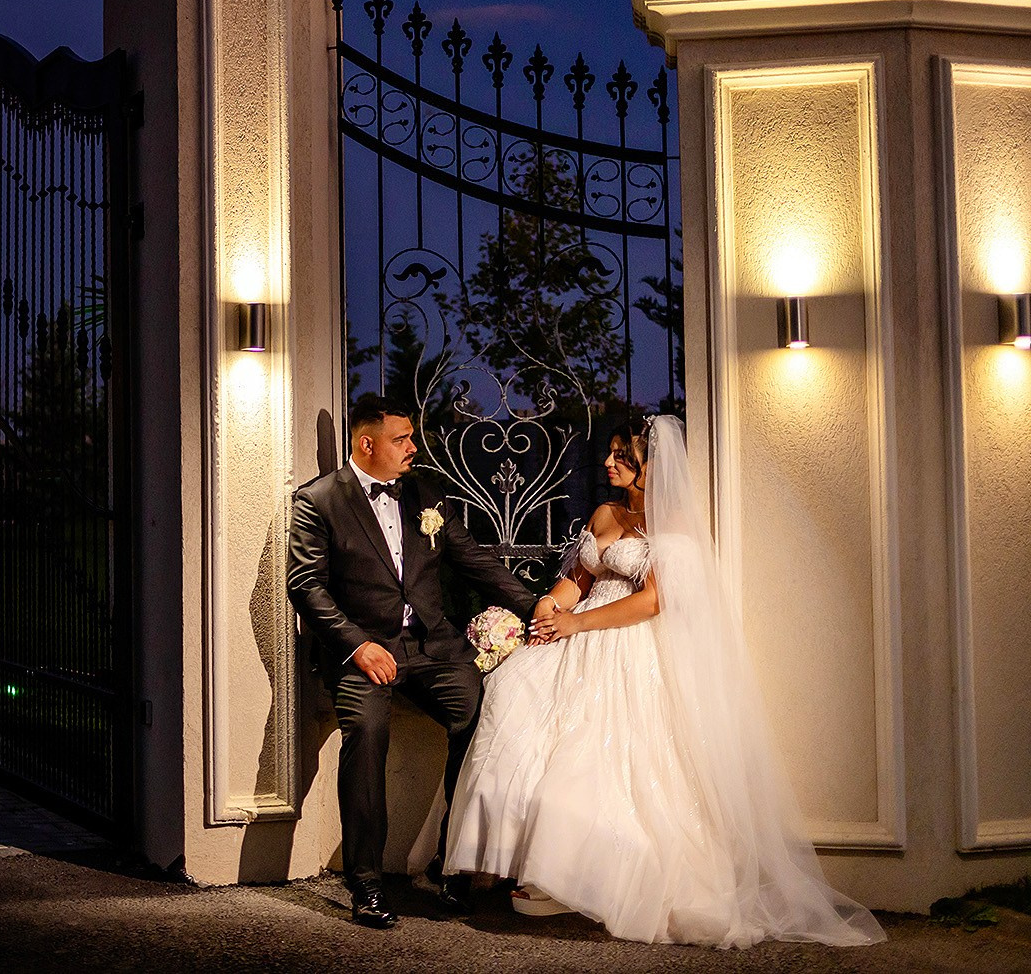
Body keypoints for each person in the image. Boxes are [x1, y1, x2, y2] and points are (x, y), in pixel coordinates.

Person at [438, 415, 884, 947]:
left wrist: (578, 621)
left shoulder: (672, 528)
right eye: (609, 454)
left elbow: (654, 600)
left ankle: (588, 875)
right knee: (517, 706)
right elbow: (576, 579)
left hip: (629, 644)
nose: (608, 463)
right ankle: (530, 864)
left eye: (621, 455)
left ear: (651, 464)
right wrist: (548, 611)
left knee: (604, 759)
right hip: (576, 640)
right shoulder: (606, 512)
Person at [287, 394, 557, 929]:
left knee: (481, 717)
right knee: (365, 733)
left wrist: (536, 604)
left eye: (411, 438)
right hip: (363, 652)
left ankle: (451, 865)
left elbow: (473, 560)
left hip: (434, 648)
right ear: (367, 444)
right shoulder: (318, 501)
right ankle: (365, 883)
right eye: (401, 439)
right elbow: (305, 584)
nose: (414, 448)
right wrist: (358, 646)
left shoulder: (426, 493)